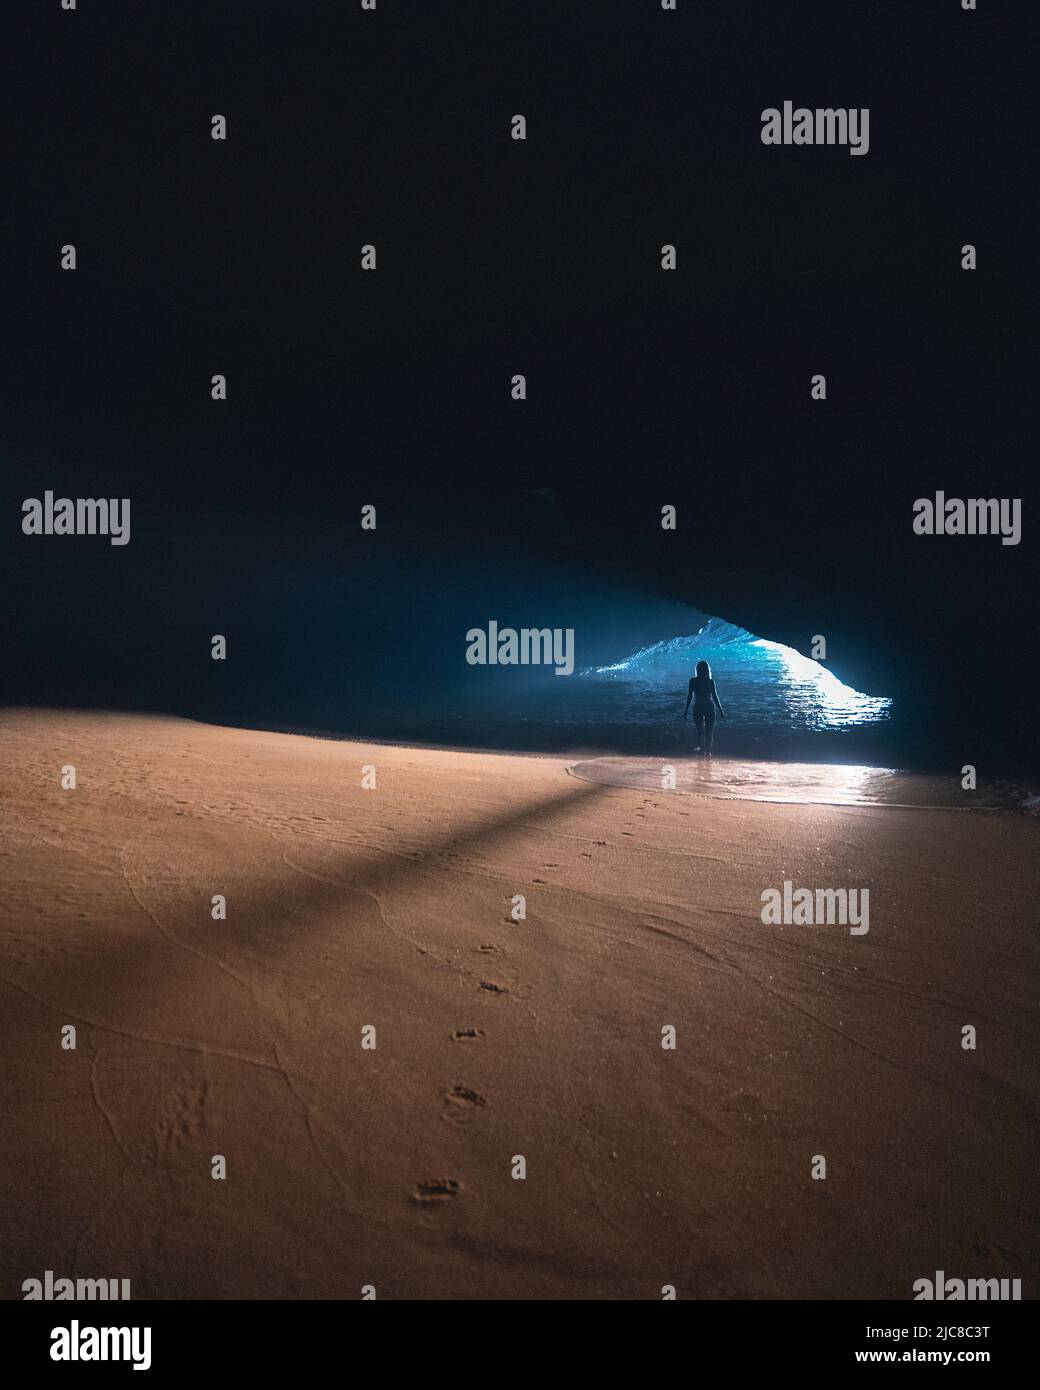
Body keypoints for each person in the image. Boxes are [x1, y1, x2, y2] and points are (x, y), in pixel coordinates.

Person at [683, 659, 726, 753]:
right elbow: (715, 697)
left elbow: (689, 696)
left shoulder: (693, 681)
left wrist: (686, 711)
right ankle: (708, 752)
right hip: (709, 707)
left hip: (698, 707)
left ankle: (702, 749)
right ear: (707, 670)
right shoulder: (710, 681)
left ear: (697, 670)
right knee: (709, 731)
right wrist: (721, 710)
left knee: (700, 730)